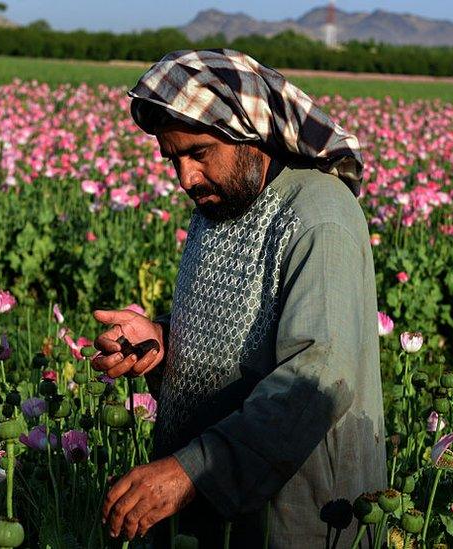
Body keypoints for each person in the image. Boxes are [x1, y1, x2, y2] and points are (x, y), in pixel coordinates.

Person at [90, 49, 386, 548]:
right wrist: (164, 342)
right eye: (173, 159)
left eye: (199, 153)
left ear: (249, 130)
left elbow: (316, 378)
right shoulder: (223, 202)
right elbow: (241, 328)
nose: (185, 178)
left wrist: (191, 472)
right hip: (214, 494)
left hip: (298, 510)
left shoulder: (319, 218)